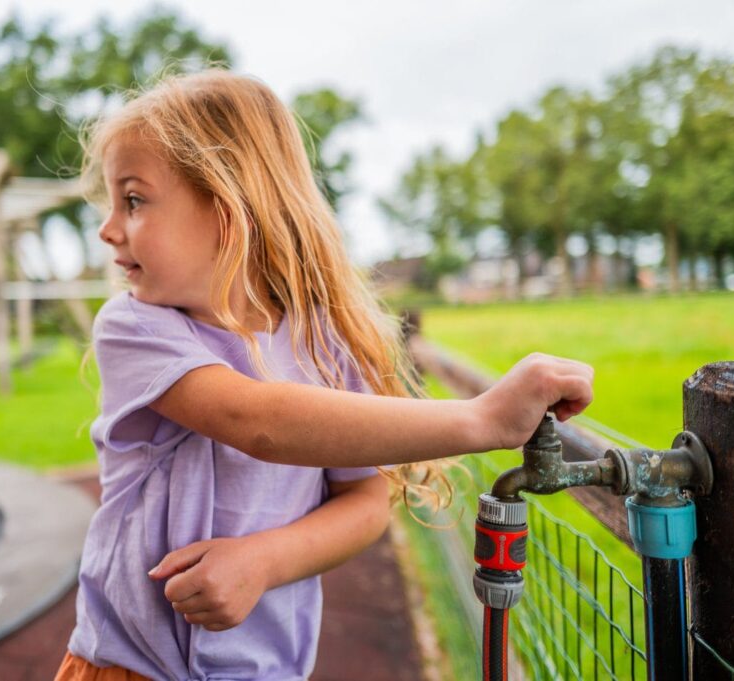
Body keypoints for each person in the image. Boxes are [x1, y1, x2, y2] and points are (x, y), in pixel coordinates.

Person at [56, 69, 594, 681]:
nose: (107, 228)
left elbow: (364, 502)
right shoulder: (134, 327)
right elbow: (256, 421)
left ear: (227, 205)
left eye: (133, 199)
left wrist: (264, 561)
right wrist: (482, 420)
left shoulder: (324, 342)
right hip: (129, 670)